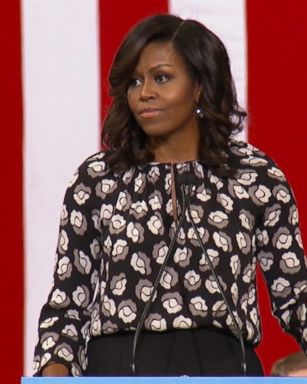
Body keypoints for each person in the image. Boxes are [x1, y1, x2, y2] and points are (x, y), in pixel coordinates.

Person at [33, 13, 307, 377]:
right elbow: (69, 300)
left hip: (223, 369)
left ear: (199, 86)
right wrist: (53, 370)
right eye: (135, 81)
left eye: (161, 78)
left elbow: (295, 291)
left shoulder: (254, 174)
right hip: (118, 371)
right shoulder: (97, 179)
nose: (144, 92)